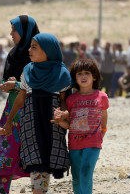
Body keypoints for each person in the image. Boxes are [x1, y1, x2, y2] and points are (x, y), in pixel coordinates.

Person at [3, 33, 71, 194]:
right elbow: (21, 98)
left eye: (34, 47)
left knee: (47, 160)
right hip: (31, 124)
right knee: (35, 162)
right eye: (30, 46)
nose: (29, 50)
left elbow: (64, 101)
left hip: (53, 126)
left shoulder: (62, 74)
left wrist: (63, 115)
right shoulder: (28, 71)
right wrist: (9, 119)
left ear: (48, 50)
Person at [0, 15, 39, 194]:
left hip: (32, 112)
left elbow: (41, 85)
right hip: (11, 111)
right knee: (6, 151)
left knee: (35, 156)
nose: (11, 34)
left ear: (26, 31)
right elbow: (7, 78)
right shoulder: (13, 54)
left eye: (15, 30)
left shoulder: (38, 55)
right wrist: (7, 84)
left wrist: (17, 85)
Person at [51, 59, 109, 194]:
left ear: (94, 76)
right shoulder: (71, 99)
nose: (83, 76)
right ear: (74, 78)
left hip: (93, 142)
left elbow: (104, 116)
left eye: (87, 73)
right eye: (79, 74)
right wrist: (59, 121)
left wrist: (103, 130)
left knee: (86, 171)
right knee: (76, 176)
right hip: (75, 143)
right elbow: (69, 124)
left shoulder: (102, 96)